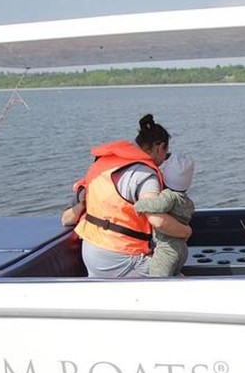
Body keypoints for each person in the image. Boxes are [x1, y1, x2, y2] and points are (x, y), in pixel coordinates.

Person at [61, 114, 192, 278]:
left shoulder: (102, 163)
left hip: (90, 253)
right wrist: (186, 231)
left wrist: (82, 205)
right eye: (166, 154)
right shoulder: (145, 175)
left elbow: (66, 218)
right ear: (160, 147)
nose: (164, 161)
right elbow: (157, 221)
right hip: (120, 258)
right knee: (177, 274)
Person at [133, 152, 196, 276]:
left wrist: (139, 205)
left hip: (166, 250)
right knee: (174, 274)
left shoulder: (169, 196)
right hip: (182, 249)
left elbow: (158, 205)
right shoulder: (187, 201)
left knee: (157, 281)